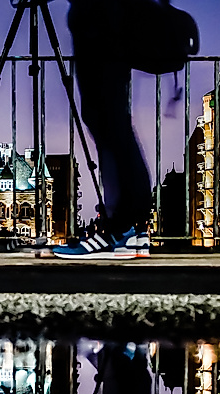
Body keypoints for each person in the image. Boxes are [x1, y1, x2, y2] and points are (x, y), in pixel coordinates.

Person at [53, 0, 153, 259]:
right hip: (107, 34)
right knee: (114, 127)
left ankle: (119, 229)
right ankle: (133, 229)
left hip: (100, 35)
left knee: (110, 126)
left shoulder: (97, 18)